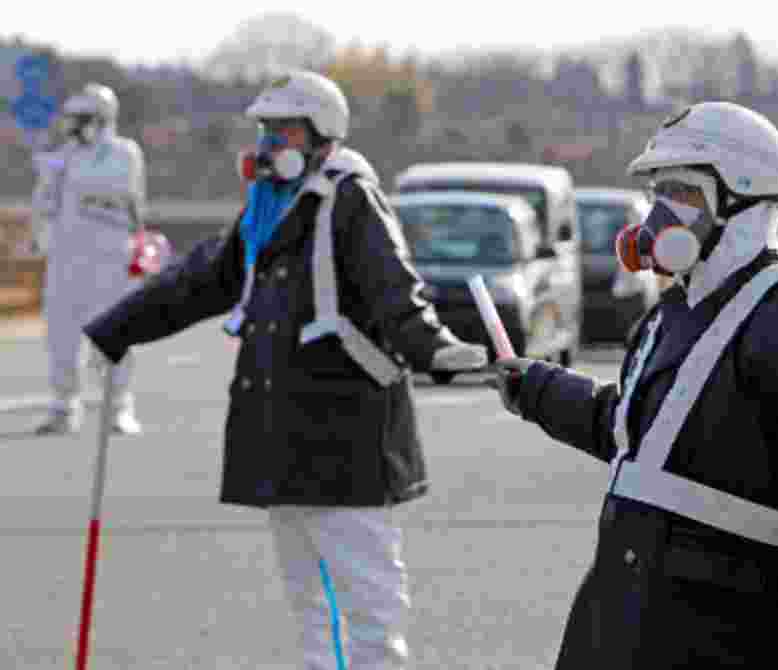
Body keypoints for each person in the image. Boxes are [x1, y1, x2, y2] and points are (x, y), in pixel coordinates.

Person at [83, 70, 488, 670]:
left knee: (368, 596)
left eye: (285, 129)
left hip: (346, 431)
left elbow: (392, 285)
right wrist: (118, 327)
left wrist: (434, 348)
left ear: (322, 134)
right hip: (282, 429)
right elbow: (202, 281)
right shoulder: (266, 210)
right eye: (265, 130)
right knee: (309, 598)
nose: (270, 143)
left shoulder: (350, 198)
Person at [489, 102, 778, 669]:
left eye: (683, 191)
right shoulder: (669, 315)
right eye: (657, 191)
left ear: (740, 198)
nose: (660, 212)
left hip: (730, 622)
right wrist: (535, 388)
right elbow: (628, 430)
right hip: (629, 610)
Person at [31, 82, 148, 435]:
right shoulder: (61, 157)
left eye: (81, 119)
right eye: (72, 119)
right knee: (61, 337)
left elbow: (121, 194)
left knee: (114, 334)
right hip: (67, 262)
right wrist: (46, 237)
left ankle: (118, 407)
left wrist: (64, 170)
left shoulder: (124, 153)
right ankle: (64, 406)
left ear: (101, 119)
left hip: (111, 261)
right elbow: (43, 205)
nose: (73, 127)